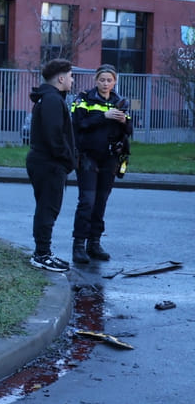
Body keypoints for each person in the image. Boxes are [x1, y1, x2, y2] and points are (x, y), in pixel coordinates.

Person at [69, 64, 133, 263]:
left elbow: (130, 130)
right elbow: (79, 124)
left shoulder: (119, 101)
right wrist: (103, 116)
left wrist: (124, 121)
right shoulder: (84, 99)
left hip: (110, 157)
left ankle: (94, 243)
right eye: (102, 80)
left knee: (101, 201)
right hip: (88, 156)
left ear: (114, 82)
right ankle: (79, 245)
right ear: (96, 80)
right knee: (87, 201)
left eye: (109, 80)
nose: (106, 83)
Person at [25, 58, 77, 272]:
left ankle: (44, 251)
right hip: (49, 163)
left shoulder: (49, 98)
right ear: (61, 78)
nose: (73, 80)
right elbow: (54, 136)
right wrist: (68, 160)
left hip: (45, 162)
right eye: (71, 76)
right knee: (48, 208)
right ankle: (41, 254)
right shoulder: (52, 101)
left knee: (46, 207)